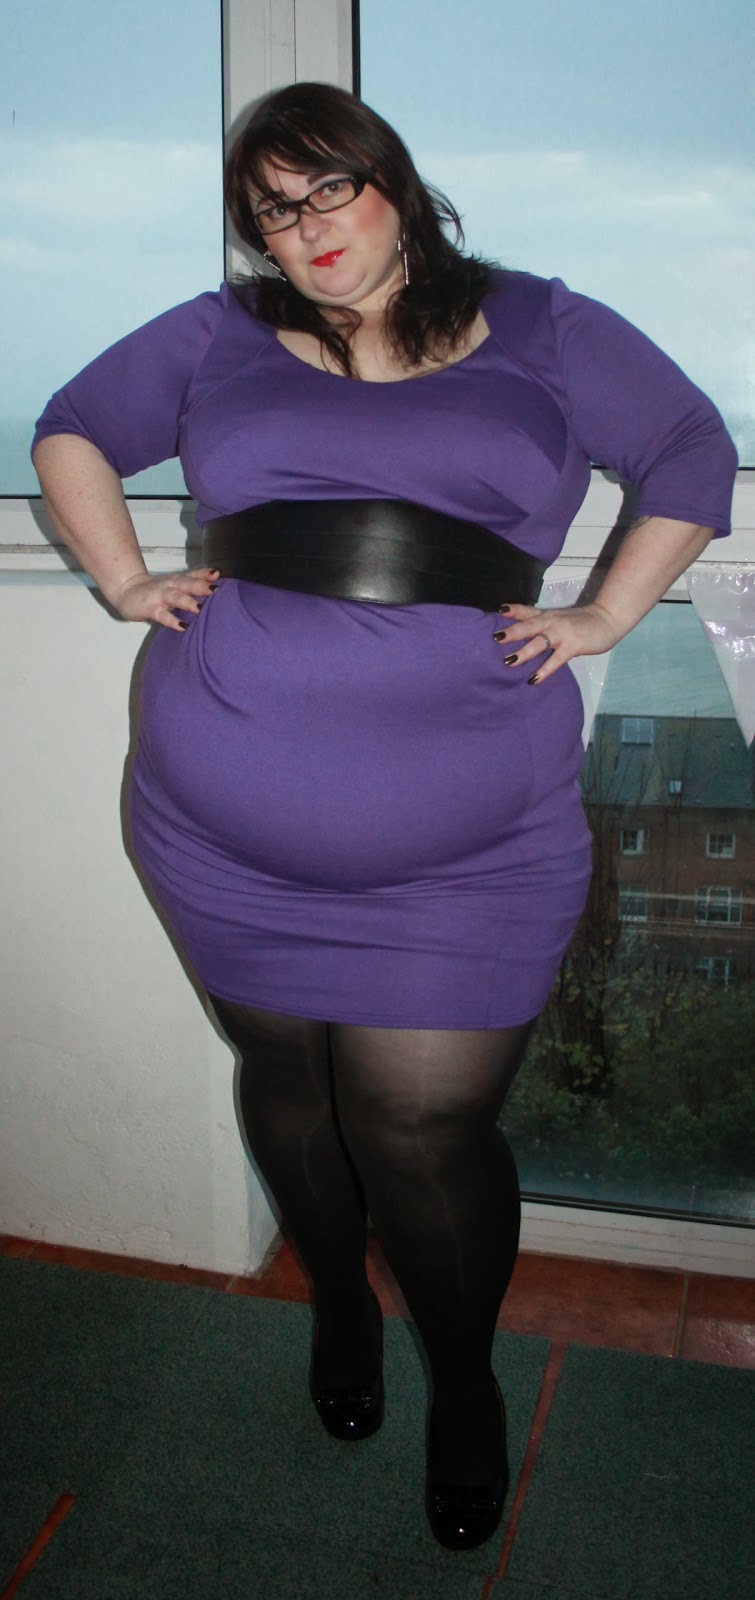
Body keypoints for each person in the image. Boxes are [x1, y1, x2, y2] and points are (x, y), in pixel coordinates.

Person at [31, 81, 737, 1551]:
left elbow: (687, 447)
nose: (305, 230)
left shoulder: (543, 327)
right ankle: (339, 1304)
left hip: (469, 849)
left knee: (421, 1124)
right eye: (272, 212)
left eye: (328, 190)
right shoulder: (217, 335)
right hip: (218, 823)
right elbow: (74, 429)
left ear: (394, 184)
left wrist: (607, 612)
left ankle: (464, 1381)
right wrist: (124, 579)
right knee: (287, 1077)